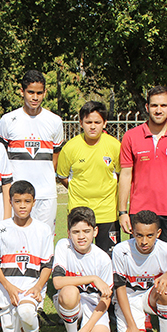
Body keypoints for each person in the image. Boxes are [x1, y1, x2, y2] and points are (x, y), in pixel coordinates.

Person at [118, 85, 167, 251]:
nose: (158, 110)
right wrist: (123, 212)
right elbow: (125, 175)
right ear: (147, 107)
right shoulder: (131, 136)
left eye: (163, 105)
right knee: (141, 259)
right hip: (140, 211)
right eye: (154, 105)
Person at [0, 70, 64, 233]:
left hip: (45, 194)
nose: (35, 97)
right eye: (30, 92)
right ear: (22, 91)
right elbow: (0, 155)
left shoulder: (54, 121)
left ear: (45, 93)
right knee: (15, 237)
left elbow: (56, 155)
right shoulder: (8, 120)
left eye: (39, 93)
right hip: (17, 194)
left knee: (45, 238)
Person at [0, 181, 54, 332]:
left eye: (27, 201)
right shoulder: (0, 228)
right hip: (6, 290)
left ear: (34, 202)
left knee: (26, 310)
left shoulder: (43, 230)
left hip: (29, 289)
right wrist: (9, 287)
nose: (22, 206)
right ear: (10, 201)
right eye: (18, 201)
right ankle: (26, 322)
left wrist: (37, 287)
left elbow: (47, 265)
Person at [112, 210, 167, 332]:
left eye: (150, 235)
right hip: (128, 299)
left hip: (150, 297)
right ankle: (139, 321)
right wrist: (131, 325)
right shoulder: (120, 251)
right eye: (139, 235)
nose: (144, 241)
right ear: (133, 232)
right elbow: (120, 289)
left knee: (166, 289)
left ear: (158, 233)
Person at [57, 101, 121, 256]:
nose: (93, 126)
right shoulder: (70, 148)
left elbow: (121, 175)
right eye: (88, 122)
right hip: (79, 211)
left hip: (108, 212)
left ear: (104, 123)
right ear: (81, 123)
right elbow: (62, 177)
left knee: (109, 257)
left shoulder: (115, 145)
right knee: (79, 257)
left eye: (97, 122)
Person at [52, 207, 113, 332]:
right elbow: (57, 282)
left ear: (95, 231)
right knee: (70, 291)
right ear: (68, 233)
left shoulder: (103, 259)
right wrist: (93, 278)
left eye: (86, 231)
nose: (81, 237)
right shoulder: (63, 246)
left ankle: (82, 330)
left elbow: (106, 298)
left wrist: (87, 329)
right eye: (76, 232)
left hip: (94, 306)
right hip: (71, 301)